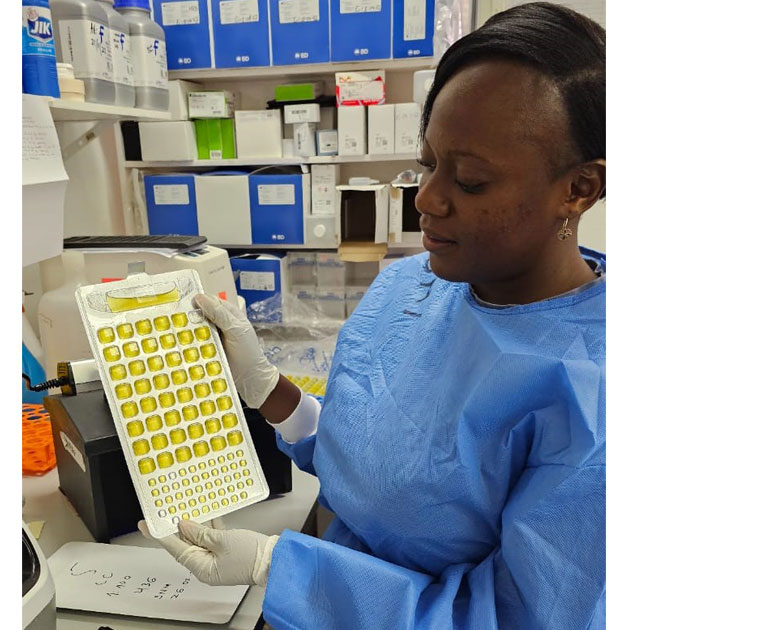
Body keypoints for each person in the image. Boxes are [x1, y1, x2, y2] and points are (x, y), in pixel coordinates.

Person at [140, 3, 606, 628]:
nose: (427, 199)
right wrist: (271, 392)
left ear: (577, 188)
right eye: (430, 161)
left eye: (469, 182)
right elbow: (372, 461)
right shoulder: (412, 283)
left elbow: (512, 616)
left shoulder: (591, 397)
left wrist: (279, 571)